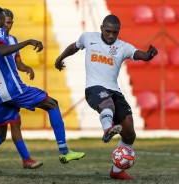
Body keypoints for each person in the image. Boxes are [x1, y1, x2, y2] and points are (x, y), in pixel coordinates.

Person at [0, 6, 85, 183]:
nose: (5, 24)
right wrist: (28, 42)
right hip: (13, 89)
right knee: (52, 104)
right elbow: (2, 50)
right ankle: (64, 152)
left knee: (1, 135)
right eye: (3, 20)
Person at [55, 14, 158, 180]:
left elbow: (139, 55)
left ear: (119, 32)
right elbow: (74, 47)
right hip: (94, 89)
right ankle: (107, 129)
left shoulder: (122, 46)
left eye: (115, 32)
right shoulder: (88, 37)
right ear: (102, 28)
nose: (111, 35)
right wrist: (60, 58)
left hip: (115, 91)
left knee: (129, 133)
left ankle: (116, 172)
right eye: (108, 31)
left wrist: (149, 55)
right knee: (107, 103)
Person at [0, 8, 42, 170]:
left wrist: (27, 68)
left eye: (9, 22)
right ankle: (25, 159)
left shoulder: (13, 40)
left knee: (5, 123)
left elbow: (17, 63)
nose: (6, 25)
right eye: (4, 21)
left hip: (9, 88)